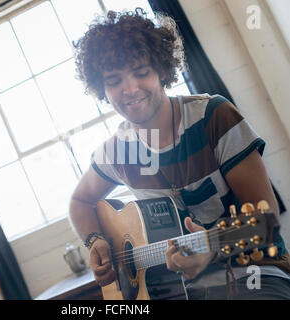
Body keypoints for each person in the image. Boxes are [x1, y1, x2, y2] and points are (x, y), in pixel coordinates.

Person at [68, 8, 290, 299]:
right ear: (101, 88)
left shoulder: (214, 117)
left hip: (253, 273)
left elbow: (266, 219)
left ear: (161, 69)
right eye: (114, 81)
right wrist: (95, 241)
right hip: (175, 292)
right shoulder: (115, 151)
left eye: (141, 72)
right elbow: (79, 201)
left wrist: (210, 249)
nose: (130, 89)